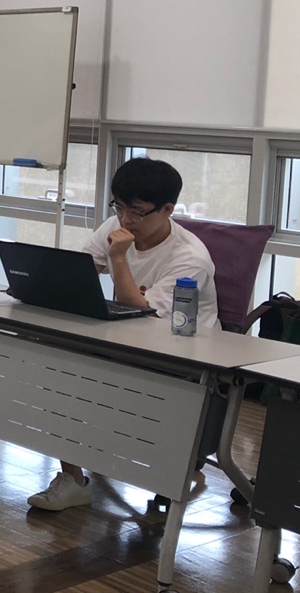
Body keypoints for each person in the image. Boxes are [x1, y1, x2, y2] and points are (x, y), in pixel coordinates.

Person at [27, 156, 219, 511]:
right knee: (54, 360)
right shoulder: (116, 225)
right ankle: (73, 478)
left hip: (180, 355)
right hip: (126, 339)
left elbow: (147, 314)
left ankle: (114, 461)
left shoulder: (190, 258)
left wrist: (118, 259)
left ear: (167, 210)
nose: (126, 220)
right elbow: (79, 273)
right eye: (118, 208)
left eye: (138, 212)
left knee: (72, 374)